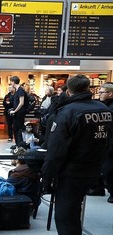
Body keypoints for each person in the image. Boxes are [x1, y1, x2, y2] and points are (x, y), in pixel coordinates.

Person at [42, 74, 112, 235]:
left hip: (71, 172)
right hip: (94, 169)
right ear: (88, 88)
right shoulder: (104, 110)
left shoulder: (68, 112)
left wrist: (47, 176)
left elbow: (56, 149)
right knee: (75, 210)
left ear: (68, 92)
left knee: (66, 216)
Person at [87, 82, 113, 203]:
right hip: (102, 141)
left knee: (109, 169)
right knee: (101, 167)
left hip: (109, 142)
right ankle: (98, 188)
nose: (99, 94)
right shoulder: (101, 105)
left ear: (110, 93)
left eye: (102, 92)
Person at [9, 76, 28, 145]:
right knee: (15, 129)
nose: (10, 83)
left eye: (11, 81)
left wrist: (15, 111)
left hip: (20, 113)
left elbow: (21, 102)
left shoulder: (20, 90)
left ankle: (20, 145)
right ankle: (17, 144)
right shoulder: (17, 90)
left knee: (19, 129)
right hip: (17, 113)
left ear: (13, 82)